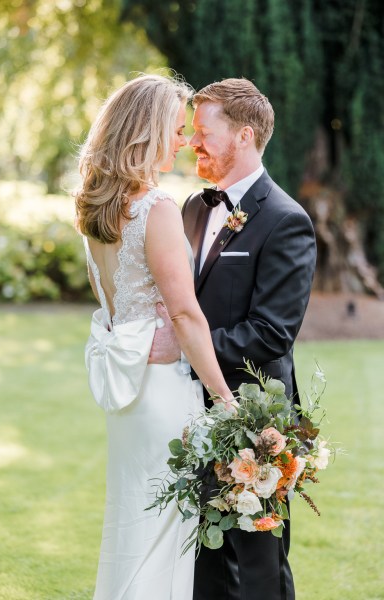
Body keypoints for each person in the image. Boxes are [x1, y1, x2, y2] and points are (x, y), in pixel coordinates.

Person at [152, 78, 317, 600]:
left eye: (204, 132)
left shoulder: (287, 221)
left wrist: (187, 347)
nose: (192, 142)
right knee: (203, 563)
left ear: (244, 136)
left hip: (254, 423)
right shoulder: (193, 209)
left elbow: (272, 334)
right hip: (187, 414)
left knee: (260, 566)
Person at [74, 74, 234, 600]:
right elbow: (185, 316)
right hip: (163, 390)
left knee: (131, 529)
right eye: (175, 128)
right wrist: (226, 399)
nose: (185, 141)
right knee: (161, 539)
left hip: (128, 394)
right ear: (146, 132)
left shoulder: (97, 208)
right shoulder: (155, 208)